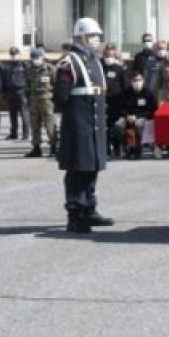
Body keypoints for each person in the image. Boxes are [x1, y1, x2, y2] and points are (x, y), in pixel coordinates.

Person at [54, 18, 112, 232]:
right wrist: (73, 120)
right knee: (78, 168)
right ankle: (75, 213)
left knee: (91, 165)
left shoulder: (94, 60)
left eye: (97, 36)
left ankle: (89, 208)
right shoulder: (69, 61)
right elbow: (61, 95)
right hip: (78, 121)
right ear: (80, 36)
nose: (96, 40)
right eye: (92, 36)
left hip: (94, 120)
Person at [25, 47, 58, 158]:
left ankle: (53, 147)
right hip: (34, 100)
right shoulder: (29, 70)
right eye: (33, 57)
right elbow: (27, 85)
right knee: (34, 124)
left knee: (50, 124)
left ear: (42, 57)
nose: (35, 59)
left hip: (47, 100)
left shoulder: (50, 69)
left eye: (37, 57)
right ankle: (36, 147)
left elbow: (56, 84)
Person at [2, 47, 31, 141]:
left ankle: (25, 134)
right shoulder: (7, 66)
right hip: (10, 92)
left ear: (19, 54)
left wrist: (28, 92)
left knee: (24, 113)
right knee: (12, 114)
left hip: (21, 91)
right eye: (12, 54)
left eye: (15, 54)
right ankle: (13, 133)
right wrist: (4, 93)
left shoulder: (24, 65)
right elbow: (4, 80)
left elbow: (29, 78)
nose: (14, 56)